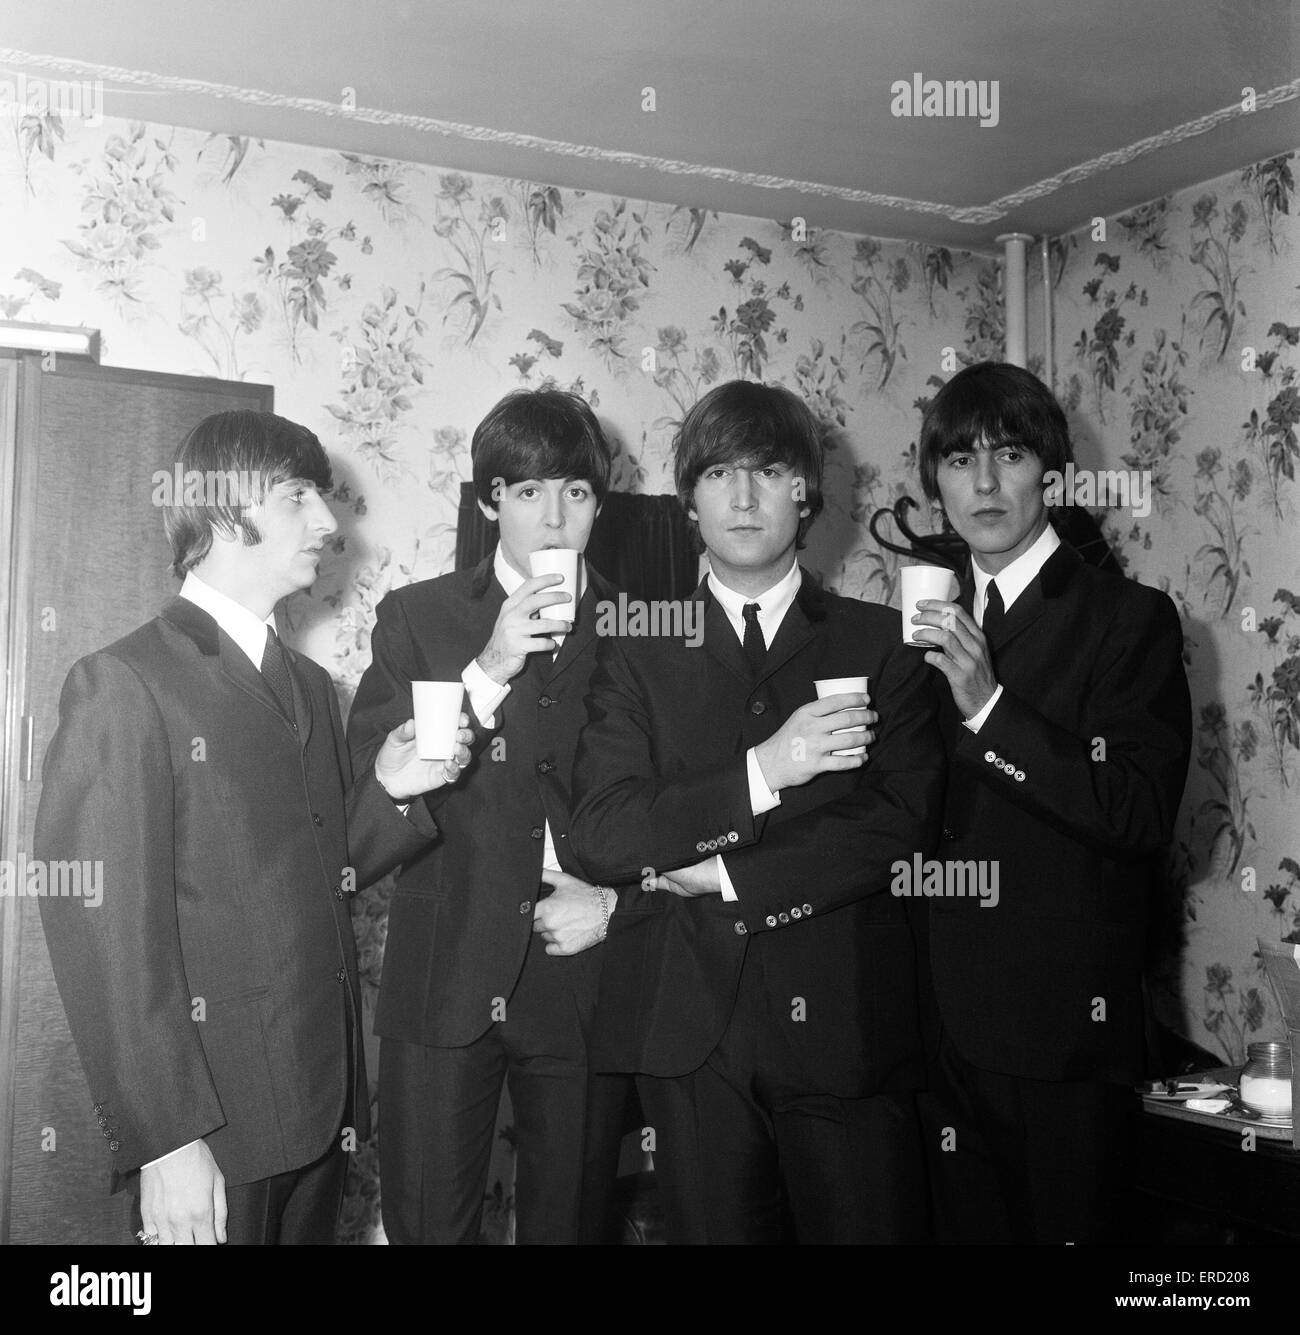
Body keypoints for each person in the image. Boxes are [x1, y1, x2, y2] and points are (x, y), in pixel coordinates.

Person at [35, 410, 468, 1245]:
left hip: (318, 1109)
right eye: (300, 495)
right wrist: (167, 1140)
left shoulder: (308, 684)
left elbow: (323, 863)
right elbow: (107, 937)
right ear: (225, 505)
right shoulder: (124, 683)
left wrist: (395, 790)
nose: (328, 524)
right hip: (213, 1128)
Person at [568, 380, 946, 1244]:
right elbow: (601, 830)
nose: (743, 497)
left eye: (769, 472)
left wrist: (731, 873)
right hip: (690, 1042)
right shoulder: (635, 646)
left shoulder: (881, 642)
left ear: (805, 492)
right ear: (688, 501)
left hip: (849, 1032)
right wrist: (762, 771)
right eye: (719, 474)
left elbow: (900, 822)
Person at [909, 361, 1192, 1244]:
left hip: (1064, 1037)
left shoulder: (1129, 617)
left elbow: (1138, 814)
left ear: (1055, 475)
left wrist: (993, 711)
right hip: (933, 1029)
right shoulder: (927, 621)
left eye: (1011, 454)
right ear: (935, 486)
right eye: (960, 460)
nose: (985, 482)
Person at [347, 388, 622, 1244]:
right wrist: (491, 665)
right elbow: (366, 808)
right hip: (445, 966)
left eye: (576, 492)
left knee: (570, 1225)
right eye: (529, 490)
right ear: (487, 500)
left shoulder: (644, 624)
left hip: (585, 967)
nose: (553, 514)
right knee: (428, 1225)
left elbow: (671, 807)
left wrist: (616, 903)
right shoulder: (416, 616)